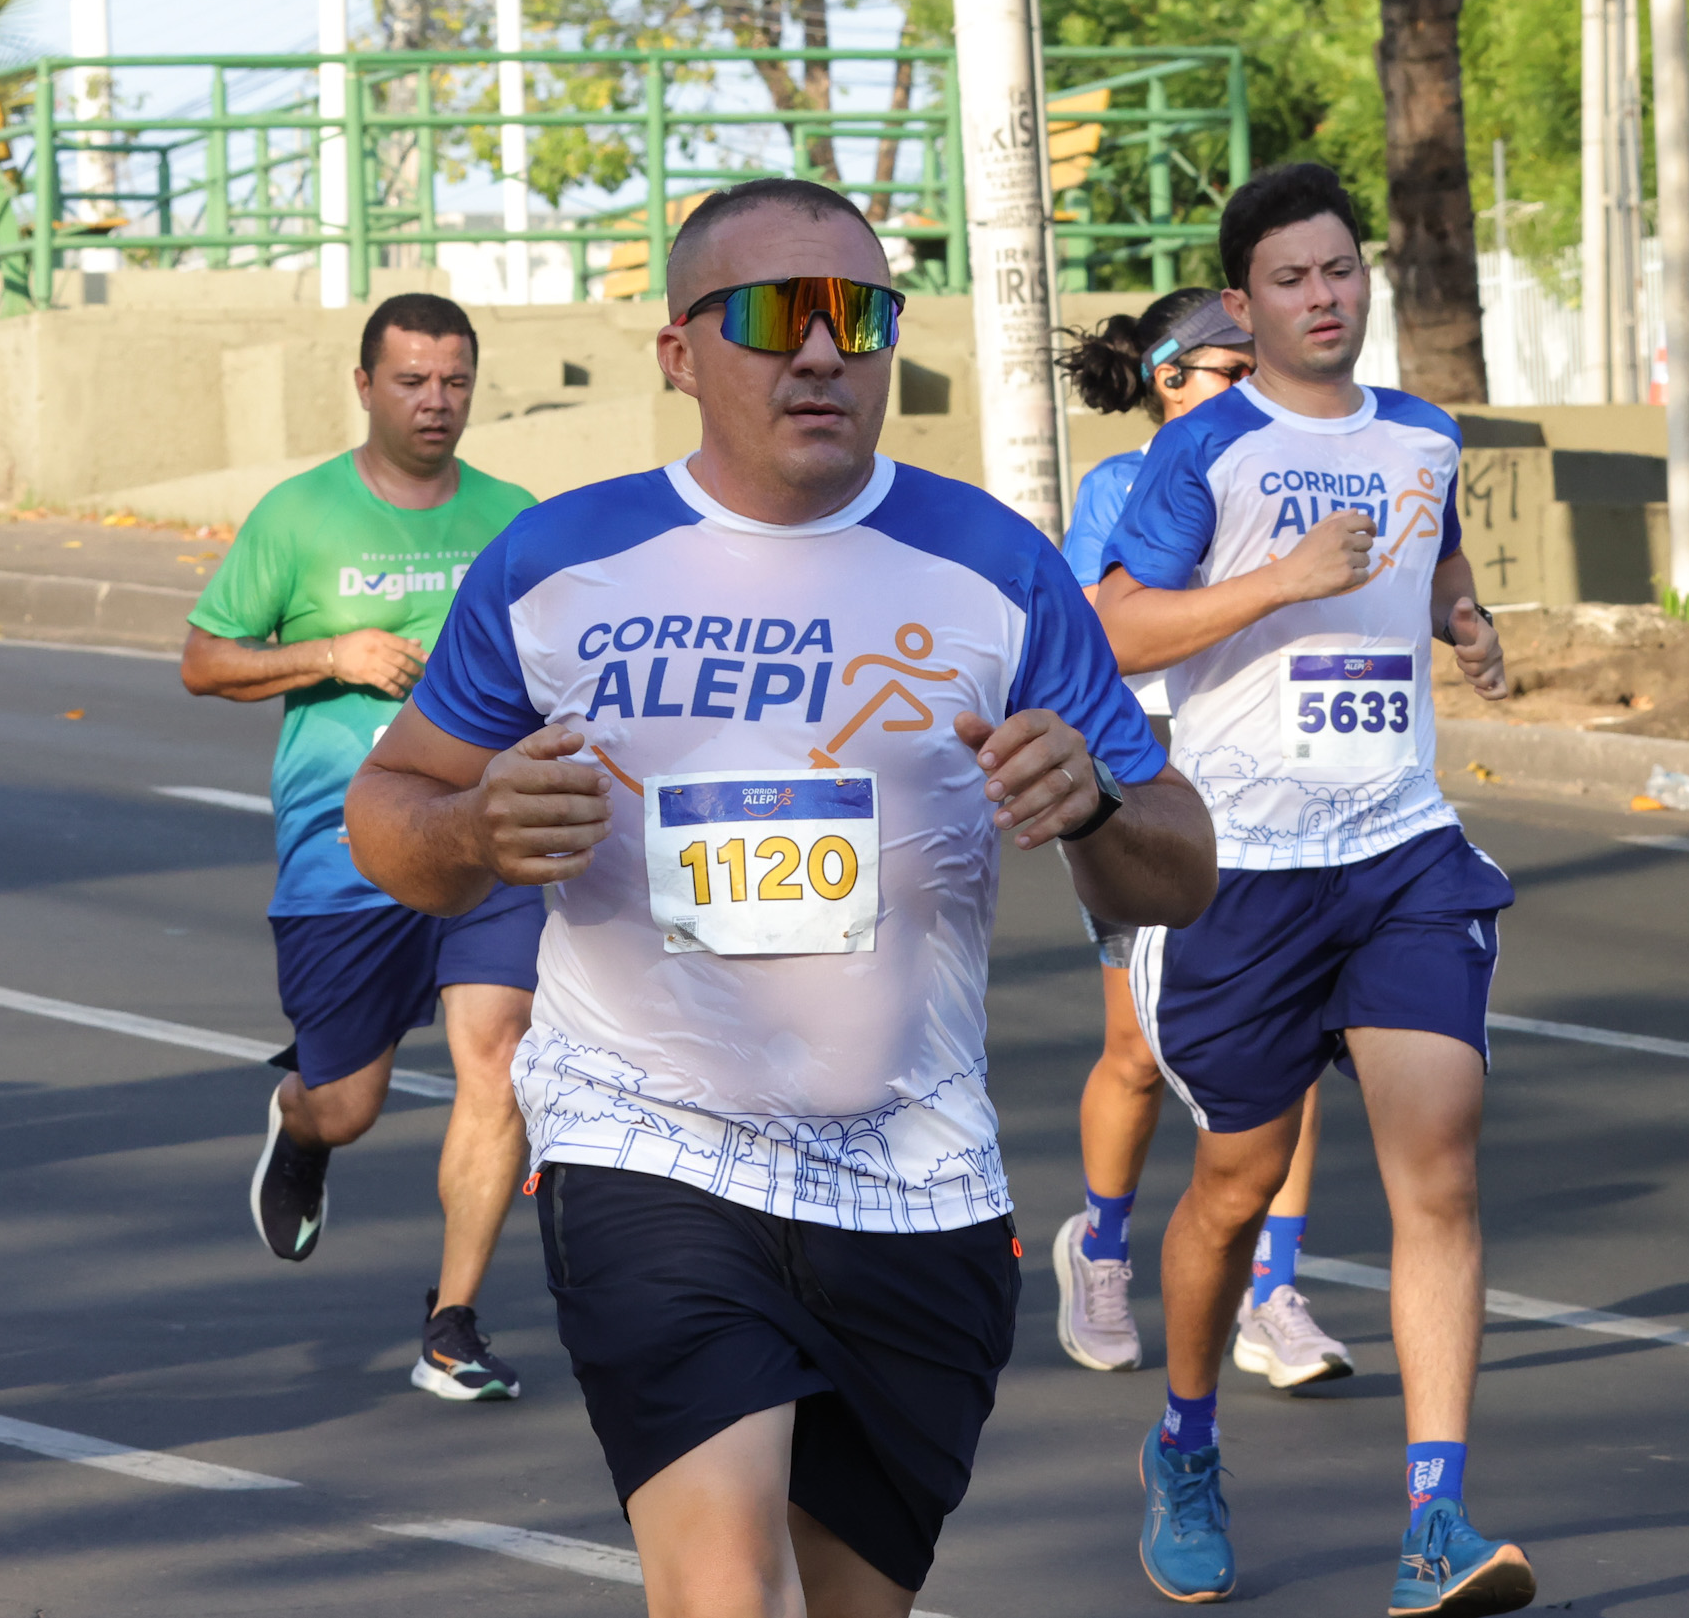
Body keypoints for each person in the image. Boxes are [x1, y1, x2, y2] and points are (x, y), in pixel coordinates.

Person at [343, 178, 1219, 1618]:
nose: (820, 351)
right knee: (725, 1594)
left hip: (917, 1175)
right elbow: (389, 810)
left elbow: (1181, 870)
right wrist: (474, 826)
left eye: (857, 317)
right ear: (679, 353)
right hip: (651, 1145)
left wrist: (1098, 805)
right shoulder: (561, 563)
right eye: (771, 317)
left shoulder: (996, 566)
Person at [1095, 163, 1526, 1614]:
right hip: (1244, 873)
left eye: (1341, 269)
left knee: (1440, 1164)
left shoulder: (1422, 433)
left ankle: (1435, 1522)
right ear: (1245, 302)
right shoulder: (1206, 449)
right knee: (1233, 1186)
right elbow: (1117, 629)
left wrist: (1465, 617)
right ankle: (1185, 1445)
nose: (1323, 296)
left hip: (1401, 851)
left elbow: (1438, 556)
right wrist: (1277, 581)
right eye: (1291, 278)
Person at [181, 292, 543, 1402]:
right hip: (349, 846)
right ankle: (302, 1124)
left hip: (484, 832)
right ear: (364, 385)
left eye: (455, 381)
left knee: (501, 1056)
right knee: (349, 1103)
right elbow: (205, 661)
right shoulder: (299, 516)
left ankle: (452, 1324)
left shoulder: (516, 516)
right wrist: (330, 655)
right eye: (412, 381)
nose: (437, 401)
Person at [1048, 293, 1352, 1391]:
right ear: (1169, 378)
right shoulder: (1119, 488)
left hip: (1277, 790)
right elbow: (1094, 642)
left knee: (1291, 1052)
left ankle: (1273, 1295)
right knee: (1137, 1050)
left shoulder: (1297, 478)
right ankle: (1102, 1249)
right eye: (1233, 367)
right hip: (1149, 790)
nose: (1255, 383)